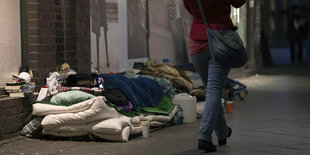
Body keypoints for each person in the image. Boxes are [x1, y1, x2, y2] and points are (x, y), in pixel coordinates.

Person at [183, 0, 245, 152]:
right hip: (219, 41)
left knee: (211, 90)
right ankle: (204, 136)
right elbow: (238, 3)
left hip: (197, 44)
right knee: (214, 90)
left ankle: (222, 132)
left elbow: (189, 8)